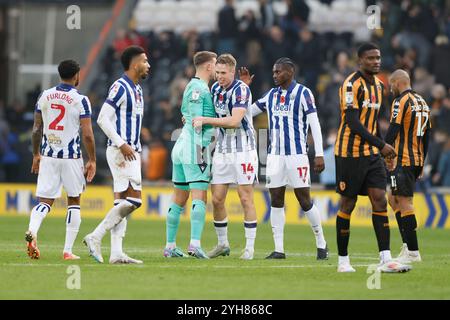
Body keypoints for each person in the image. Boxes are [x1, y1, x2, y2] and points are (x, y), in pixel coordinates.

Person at [334, 43, 410, 273]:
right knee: (348, 203)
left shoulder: (379, 86)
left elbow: (372, 122)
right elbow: (353, 123)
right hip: (349, 153)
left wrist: (382, 148)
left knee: (379, 199)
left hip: (371, 153)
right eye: (370, 58)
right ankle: (343, 261)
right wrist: (382, 145)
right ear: (360, 61)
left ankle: (385, 259)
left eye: (378, 57)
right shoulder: (350, 85)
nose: (376, 61)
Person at [250, 57, 329, 260]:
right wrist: (243, 88)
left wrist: (319, 153)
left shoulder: (304, 93)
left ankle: (322, 243)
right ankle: (279, 249)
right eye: (274, 72)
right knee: (276, 200)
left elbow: (315, 124)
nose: (275, 75)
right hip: (275, 156)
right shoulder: (271, 95)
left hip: (297, 155)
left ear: (290, 72)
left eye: (279, 72)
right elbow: (248, 112)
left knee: (304, 200)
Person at [83, 45, 150, 264]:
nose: (148, 65)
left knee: (121, 202)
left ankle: (116, 253)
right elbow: (102, 118)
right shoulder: (120, 86)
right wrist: (121, 143)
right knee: (134, 201)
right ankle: (95, 236)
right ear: (134, 64)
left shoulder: (137, 89)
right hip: (122, 152)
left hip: (131, 150)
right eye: (145, 61)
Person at [25, 59, 96, 260]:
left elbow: (37, 128)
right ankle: (67, 251)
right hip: (71, 157)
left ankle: (32, 230)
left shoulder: (44, 96)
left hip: (48, 156)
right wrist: (92, 159)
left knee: (45, 201)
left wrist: (36, 154)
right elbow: (88, 134)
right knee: (74, 200)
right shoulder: (80, 99)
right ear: (76, 76)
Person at [193, 54, 258, 260]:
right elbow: (213, 115)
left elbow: (235, 121)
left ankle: (249, 248)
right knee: (217, 198)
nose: (219, 76)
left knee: (245, 197)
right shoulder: (215, 89)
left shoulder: (241, 89)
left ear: (232, 72)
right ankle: (222, 244)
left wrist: (204, 120)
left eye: (223, 73)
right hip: (222, 149)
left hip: (244, 150)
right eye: (217, 72)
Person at [163, 51, 217, 259]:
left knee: (179, 196)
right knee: (200, 195)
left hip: (181, 145)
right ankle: (194, 244)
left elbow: (186, 115)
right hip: (195, 146)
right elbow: (196, 120)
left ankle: (170, 246)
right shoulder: (200, 88)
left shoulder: (189, 86)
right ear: (208, 66)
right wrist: (203, 146)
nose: (216, 68)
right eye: (215, 64)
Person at [385, 69, 431, 263]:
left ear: (397, 82)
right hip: (416, 159)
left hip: (403, 159)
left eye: (390, 85)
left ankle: (413, 251)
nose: (390, 89)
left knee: (404, 203)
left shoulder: (400, 102)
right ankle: (407, 245)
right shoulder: (423, 102)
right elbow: (427, 135)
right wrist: (422, 162)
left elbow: (393, 129)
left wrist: (384, 151)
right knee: (392, 198)